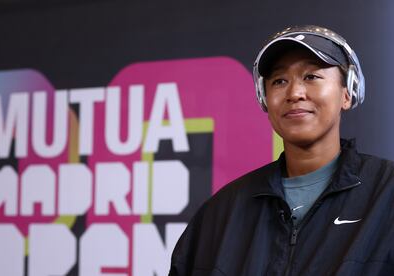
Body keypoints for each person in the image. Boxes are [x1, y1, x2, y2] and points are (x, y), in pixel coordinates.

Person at [169, 25, 394, 275]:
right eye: (279, 81)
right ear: (264, 99)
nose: (294, 93)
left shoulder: (386, 193)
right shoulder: (220, 214)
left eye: (311, 76)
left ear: (348, 92)